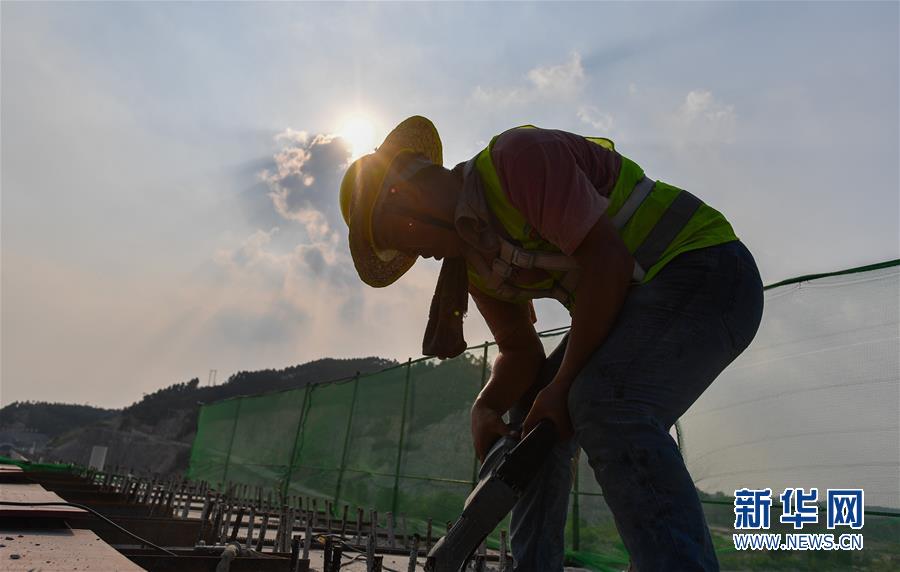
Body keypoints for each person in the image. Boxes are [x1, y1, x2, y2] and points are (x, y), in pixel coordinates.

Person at [339, 115, 764, 571]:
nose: (418, 254)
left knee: (602, 403)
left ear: (403, 194)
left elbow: (608, 262)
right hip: (636, 305)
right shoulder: (478, 265)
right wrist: (485, 407)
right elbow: (519, 351)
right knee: (532, 420)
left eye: (399, 236)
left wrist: (561, 388)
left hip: (709, 271)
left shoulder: (516, 161)